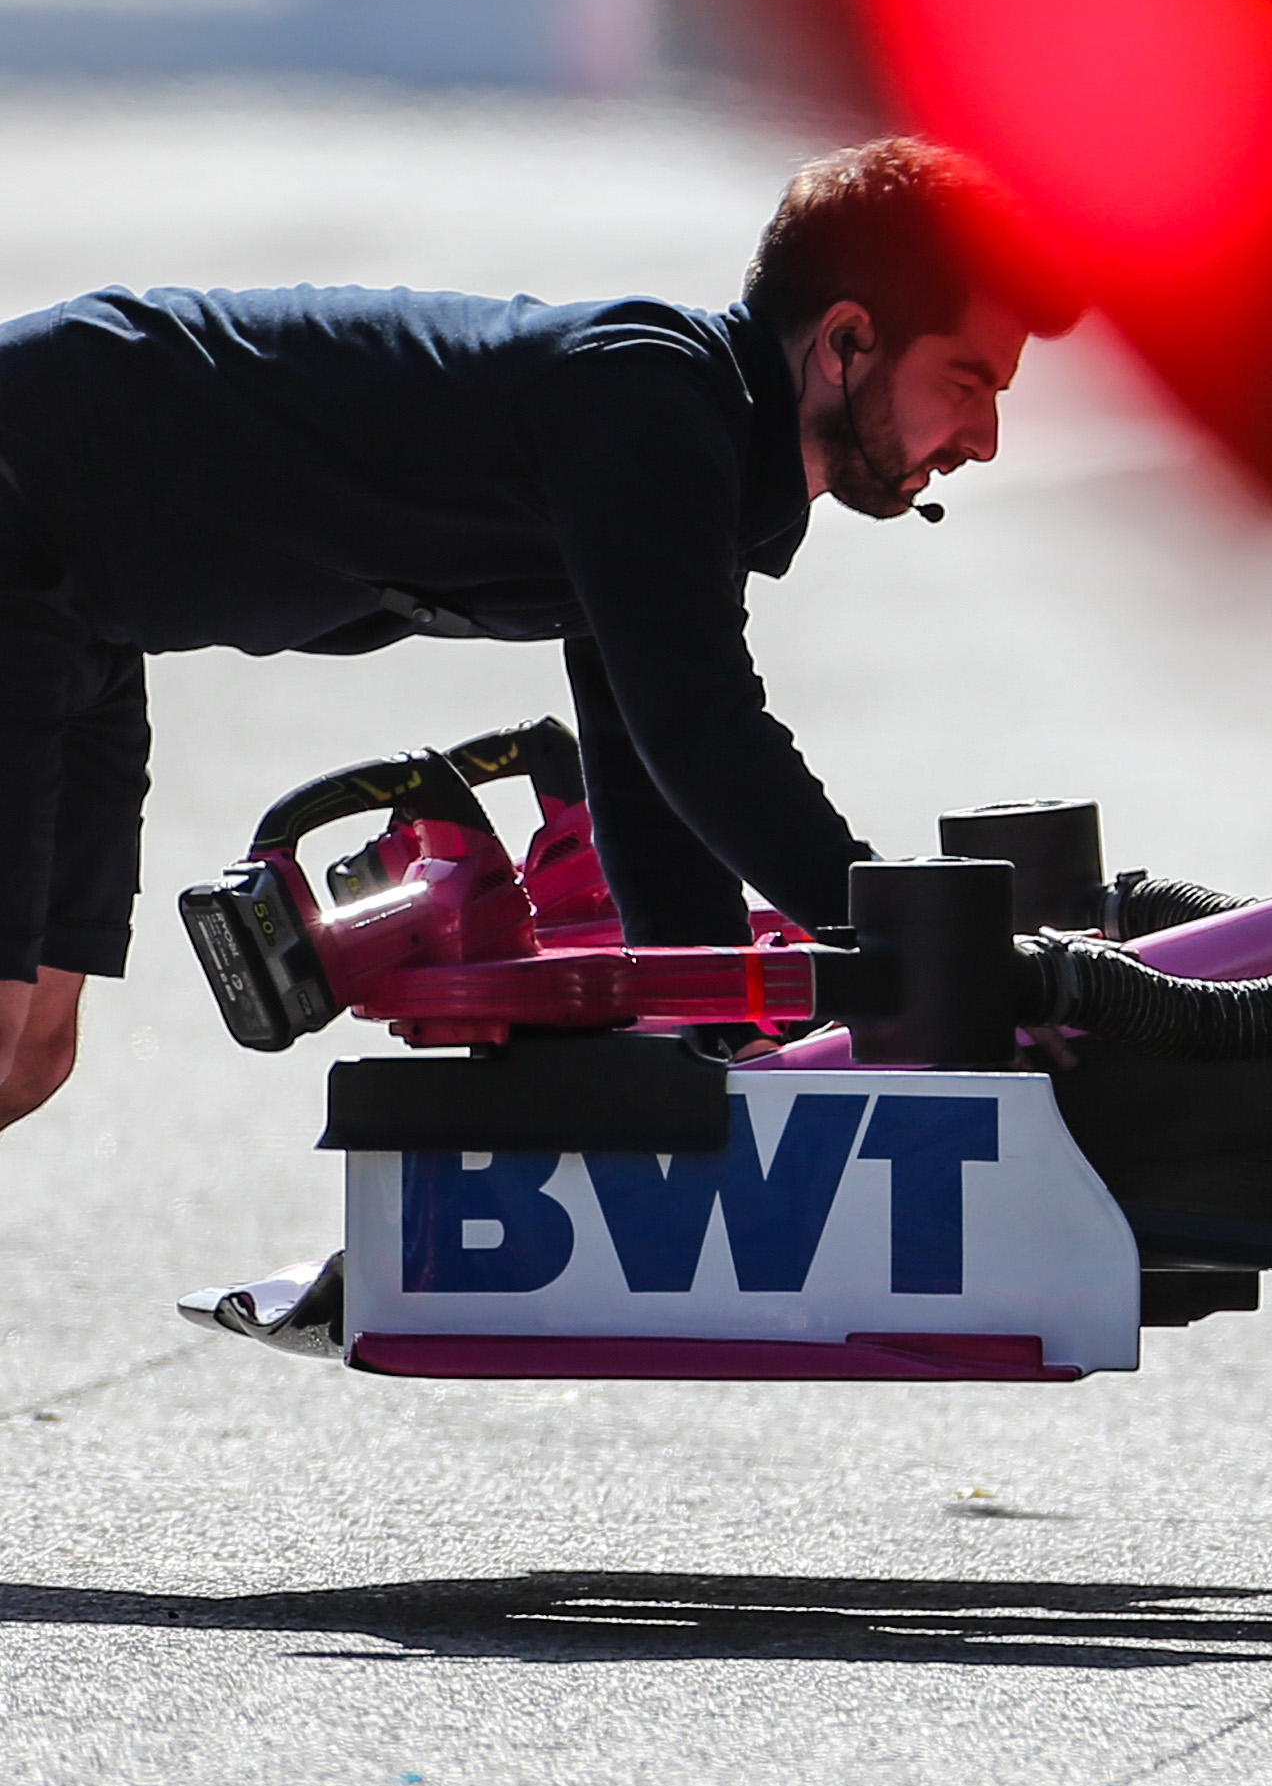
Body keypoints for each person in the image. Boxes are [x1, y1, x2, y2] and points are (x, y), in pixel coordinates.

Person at [0, 140, 1061, 1133]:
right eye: (968, 382)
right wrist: (905, 938)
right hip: (22, 496)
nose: (986, 437)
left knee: (31, 1048)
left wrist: (726, 1047)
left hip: (84, 611)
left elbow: (651, 766)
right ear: (845, 341)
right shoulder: (648, 398)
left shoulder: (700, 455)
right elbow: (702, 730)